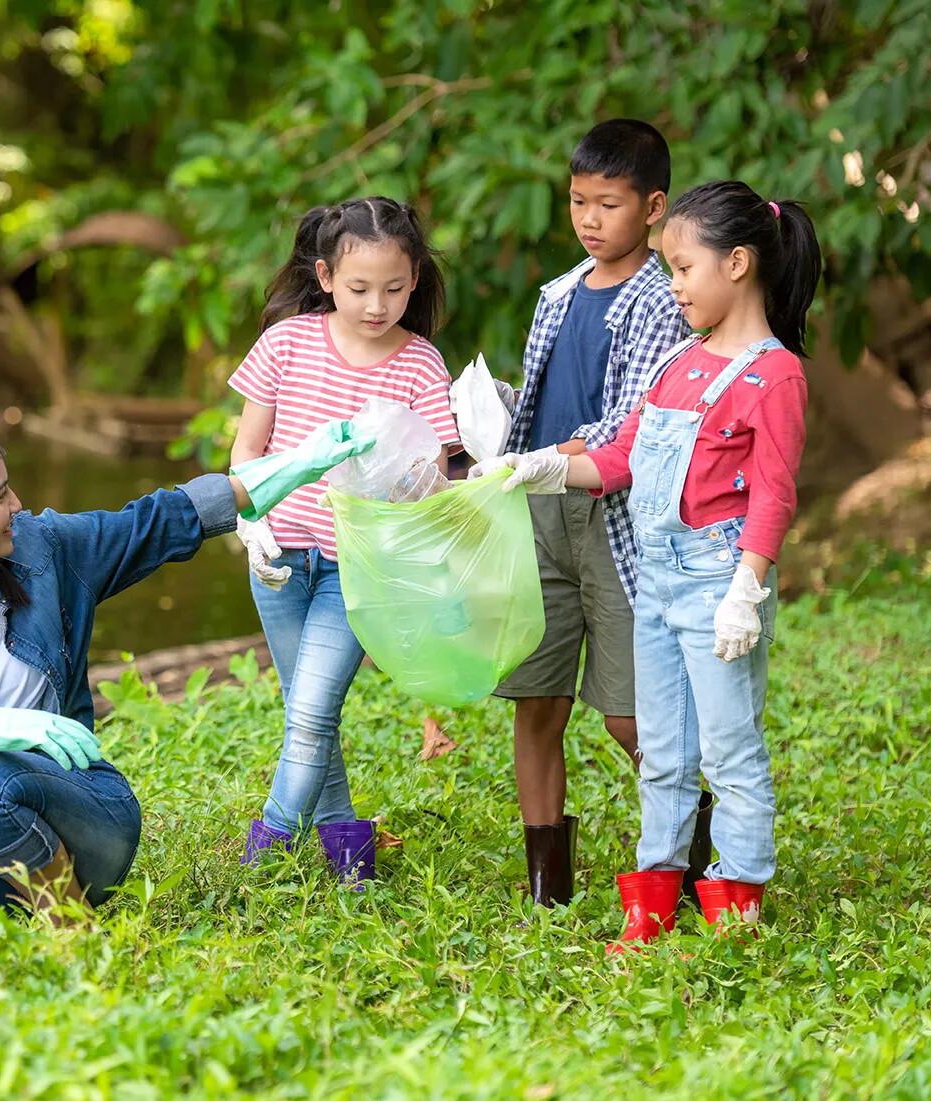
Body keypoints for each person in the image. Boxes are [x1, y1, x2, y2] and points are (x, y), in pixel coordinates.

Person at [0, 412, 372, 920]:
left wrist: (299, 463)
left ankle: (69, 928)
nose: (16, 504)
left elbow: (166, 518)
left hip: (81, 826)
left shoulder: (47, 552)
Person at [476, 180, 821, 949]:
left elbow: (773, 493)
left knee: (730, 749)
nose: (673, 285)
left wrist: (746, 587)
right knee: (661, 751)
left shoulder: (777, 374)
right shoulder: (679, 362)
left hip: (718, 580)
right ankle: (653, 905)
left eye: (682, 267)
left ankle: (738, 903)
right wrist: (539, 469)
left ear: (737, 264)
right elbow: (623, 457)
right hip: (659, 583)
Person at [228, 196, 459, 887]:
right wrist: (250, 521)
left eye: (393, 288)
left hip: (356, 567)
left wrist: (422, 483)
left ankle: (261, 852)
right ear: (326, 276)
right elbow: (247, 449)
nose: (376, 304)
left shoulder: (420, 364)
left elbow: (433, 479)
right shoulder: (285, 344)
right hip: (276, 559)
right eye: (359, 288)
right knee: (309, 709)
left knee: (310, 710)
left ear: (415, 278)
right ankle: (349, 852)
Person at [492, 119, 692, 908]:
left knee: (627, 714)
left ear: (652, 207)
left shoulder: (660, 300)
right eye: (578, 201)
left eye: (607, 204)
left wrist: (559, 454)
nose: (589, 218)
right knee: (536, 702)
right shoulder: (559, 293)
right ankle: (548, 886)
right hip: (541, 514)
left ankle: (687, 847)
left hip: (613, 523)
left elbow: (633, 424)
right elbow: (539, 406)